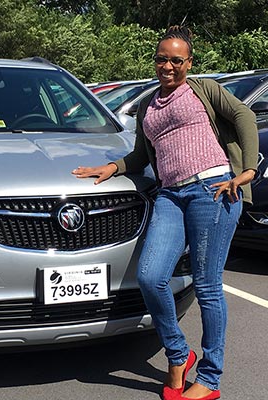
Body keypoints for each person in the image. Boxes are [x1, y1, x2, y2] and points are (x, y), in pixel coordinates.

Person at [72, 26, 258, 400]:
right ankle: (178, 354)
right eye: (162, 58)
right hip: (171, 196)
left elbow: (244, 118)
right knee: (151, 276)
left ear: (189, 62)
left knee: (207, 286)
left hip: (214, 189)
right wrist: (111, 168)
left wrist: (248, 170)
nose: (168, 66)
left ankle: (209, 377)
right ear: (155, 61)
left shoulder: (203, 89)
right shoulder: (147, 105)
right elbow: (142, 155)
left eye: (177, 60)